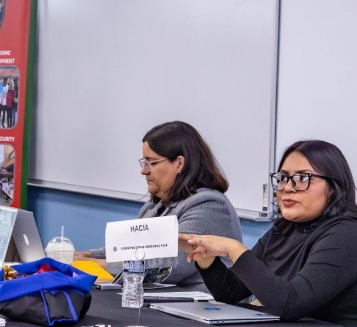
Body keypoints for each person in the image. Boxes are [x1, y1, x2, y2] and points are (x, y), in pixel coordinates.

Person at [181, 140, 357, 327]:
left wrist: (233, 248)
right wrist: (206, 259)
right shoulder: (284, 230)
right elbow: (232, 292)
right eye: (282, 178)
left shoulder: (348, 235)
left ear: (333, 187)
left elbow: (291, 304)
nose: (287, 188)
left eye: (302, 178)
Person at [76, 121, 242, 289]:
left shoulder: (210, 206)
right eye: (144, 162)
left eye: (151, 163)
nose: (144, 171)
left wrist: (96, 264)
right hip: (166, 302)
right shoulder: (156, 205)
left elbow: (168, 266)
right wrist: (87, 255)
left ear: (179, 163)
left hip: (205, 306)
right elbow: (131, 247)